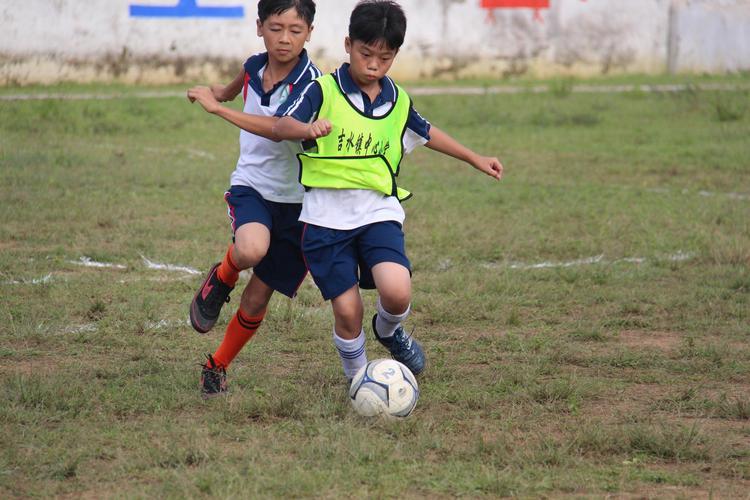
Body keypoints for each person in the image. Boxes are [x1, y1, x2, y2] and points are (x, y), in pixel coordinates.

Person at [272, 0, 503, 382]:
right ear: (348, 45)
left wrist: (474, 157)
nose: (374, 64)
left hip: (378, 211)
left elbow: (426, 133)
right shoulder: (322, 90)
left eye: (385, 56)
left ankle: (390, 331)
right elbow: (282, 125)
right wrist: (305, 129)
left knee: (397, 293)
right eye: (366, 54)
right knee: (348, 313)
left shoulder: (397, 99)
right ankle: (358, 379)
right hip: (325, 220)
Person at [186, 0, 320, 398]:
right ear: (259, 27)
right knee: (249, 248)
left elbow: (279, 129)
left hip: (300, 203)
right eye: (276, 27)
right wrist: (212, 95)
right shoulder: (252, 67)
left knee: (258, 296)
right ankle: (220, 278)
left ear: (310, 33)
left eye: (296, 30)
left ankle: (217, 365)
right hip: (253, 186)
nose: (285, 38)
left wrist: (217, 111)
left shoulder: (313, 84)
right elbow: (229, 92)